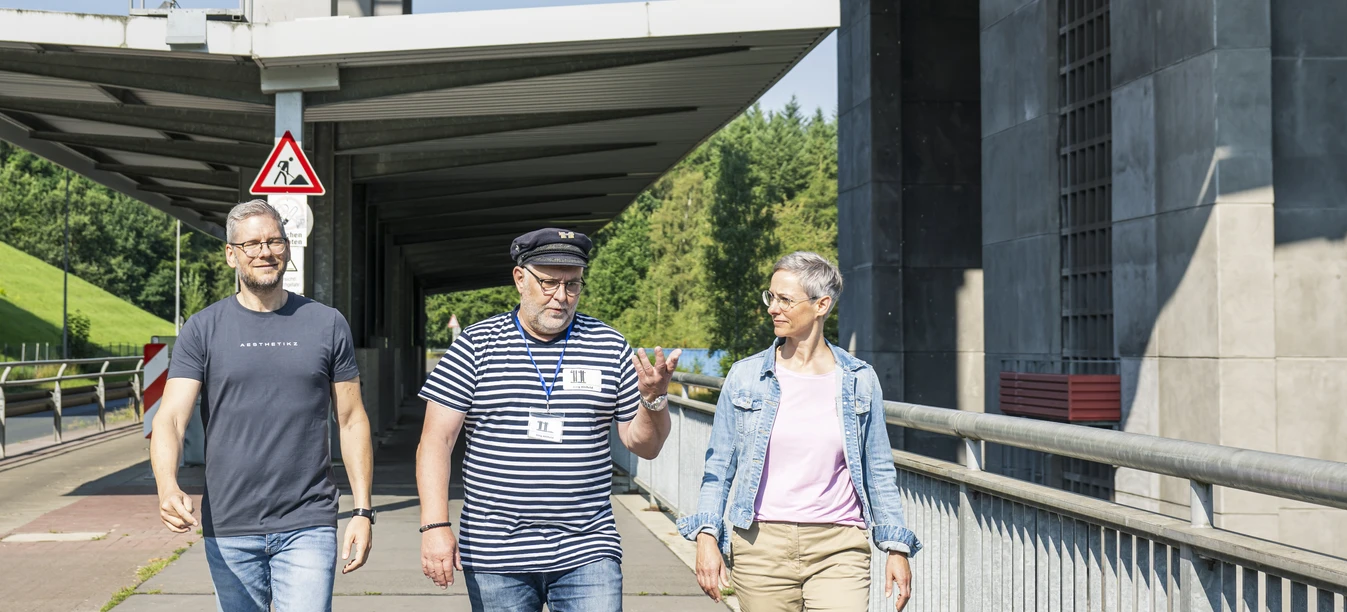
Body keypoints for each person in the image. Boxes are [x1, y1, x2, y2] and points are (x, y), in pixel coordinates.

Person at [416, 228, 681, 612]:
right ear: (520, 278)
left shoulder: (608, 345)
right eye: (549, 282)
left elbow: (645, 445)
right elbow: (435, 442)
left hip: (587, 548)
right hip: (497, 554)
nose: (562, 296)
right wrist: (435, 527)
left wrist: (653, 399)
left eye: (573, 285)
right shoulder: (475, 346)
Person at [149, 199, 375, 612]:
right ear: (231, 254)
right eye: (251, 244)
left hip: (308, 520)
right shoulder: (203, 328)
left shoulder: (326, 323)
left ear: (287, 247)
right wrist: (167, 486)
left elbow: (352, 419)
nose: (264, 252)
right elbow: (171, 418)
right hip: (230, 522)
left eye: (273, 241)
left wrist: (362, 509)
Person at [677, 251, 919, 612]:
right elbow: (718, 469)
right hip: (761, 547)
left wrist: (896, 547)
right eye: (771, 297)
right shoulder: (745, 377)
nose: (773, 308)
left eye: (785, 300)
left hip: (839, 547)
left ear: (821, 305)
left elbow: (879, 470)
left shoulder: (858, 380)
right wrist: (707, 536)